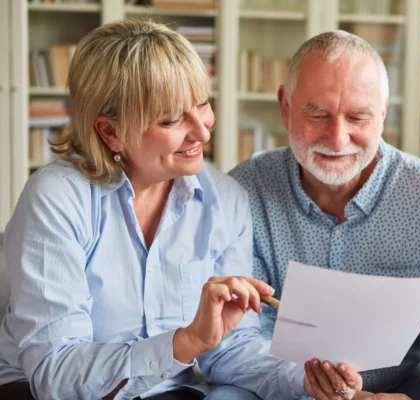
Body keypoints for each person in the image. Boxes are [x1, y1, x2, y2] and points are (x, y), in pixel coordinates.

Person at [0, 20, 308, 400]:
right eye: (171, 119)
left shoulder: (224, 200)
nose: (203, 131)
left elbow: (229, 350)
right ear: (110, 131)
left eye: (202, 104)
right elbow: (56, 374)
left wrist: (311, 382)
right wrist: (187, 340)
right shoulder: (56, 197)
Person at [229, 30, 420, 400]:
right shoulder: (242, 192)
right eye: (317, 114)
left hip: (401, 386)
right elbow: (236, 338)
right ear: (285, 107)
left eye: (358, 117)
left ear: (383, 112)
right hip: (278, 387)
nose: (338, 139)